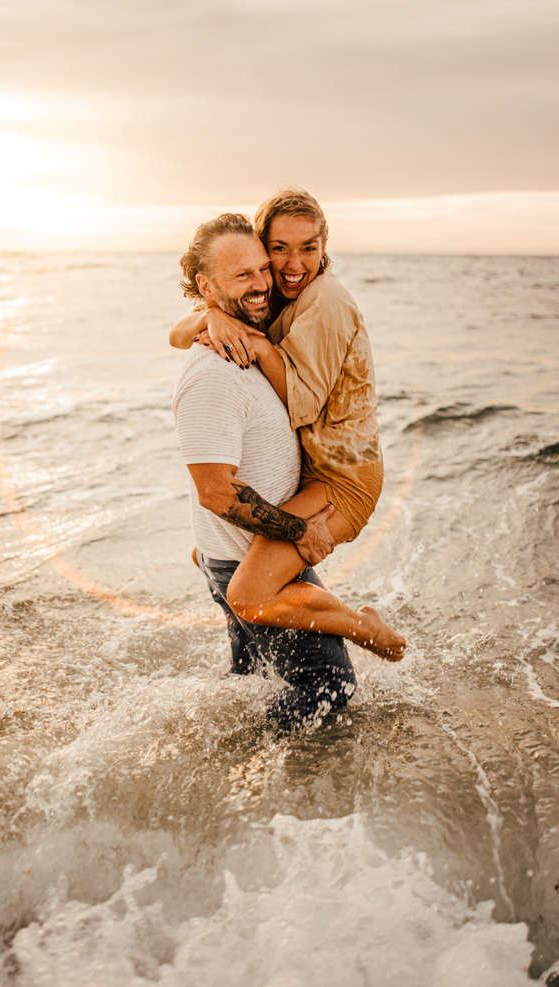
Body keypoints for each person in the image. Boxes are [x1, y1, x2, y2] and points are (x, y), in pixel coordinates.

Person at [170, 189, 406, 661]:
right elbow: (177, 335)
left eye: (309, 248)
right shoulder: (275, 292)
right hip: (318, 472)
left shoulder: (325, 302)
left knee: (249, 593)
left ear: (325, 247)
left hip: (344, 479)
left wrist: (256, 348)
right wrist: (212, 314)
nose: (293, 263)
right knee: (238, 574)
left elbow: (305, 404)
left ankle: (368, 631)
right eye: (279, 249)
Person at [172, 213, 357, 729]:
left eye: (261, 269)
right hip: (251, 560)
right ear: (205, 286)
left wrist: (209, 317)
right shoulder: (213, 373)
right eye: (242, 276)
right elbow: (217, 493)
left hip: (234, 557)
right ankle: (250, 776)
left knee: (253, 685)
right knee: (329, 690)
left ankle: (236, 792)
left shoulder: (244, 339)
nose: (262, 285)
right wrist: (303, 532)